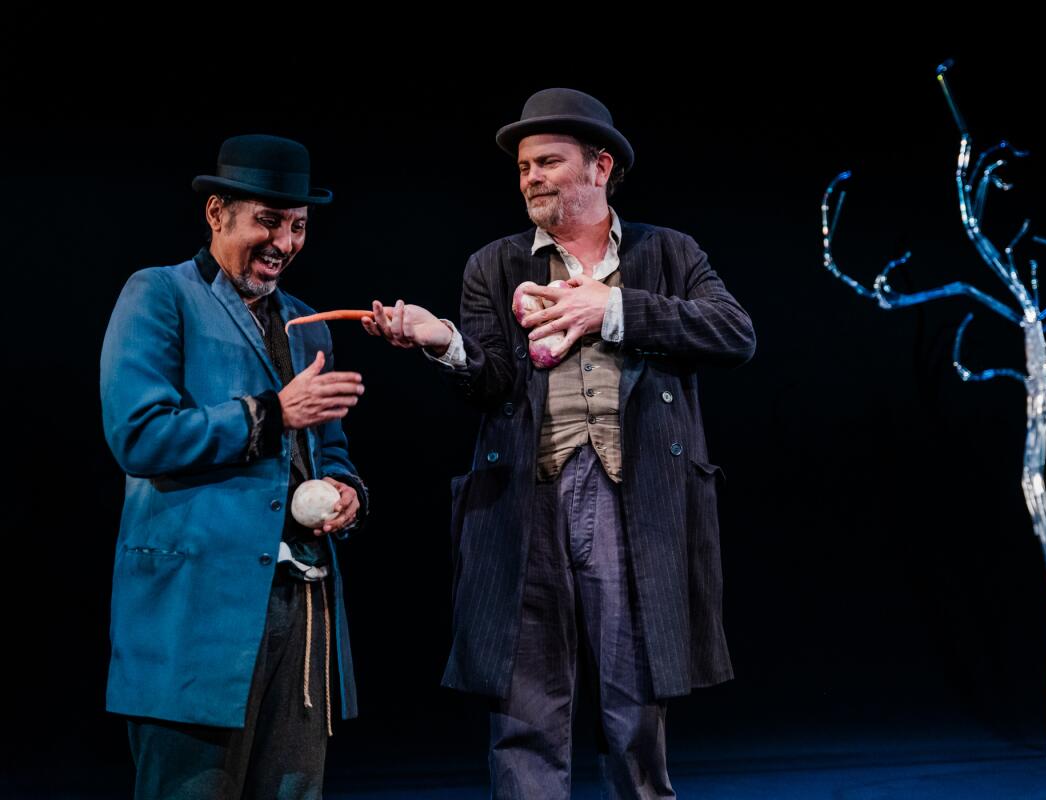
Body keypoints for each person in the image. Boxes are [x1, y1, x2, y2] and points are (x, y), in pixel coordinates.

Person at [365, 88, 755, 798]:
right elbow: (489, 381)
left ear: (599, 167)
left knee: (634, 710)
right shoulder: (494, 264)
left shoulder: (668, 254)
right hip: (527, 499)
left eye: (548, 162)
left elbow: (734, 333)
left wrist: (611, 309)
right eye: (523, 167)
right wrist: (442, 340)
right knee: (525, 710)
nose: (532, 177)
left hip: (631, 499)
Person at [100, 134, 367, 799]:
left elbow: (328, 447)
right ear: (217, 213)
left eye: (298, 225)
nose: (285, 240)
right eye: (268, 221)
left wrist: (345, 488)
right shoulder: (161, 295)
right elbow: (140, 435)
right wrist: (272, 412)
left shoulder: (309, 323)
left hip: (301, 610)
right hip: (197, 615)